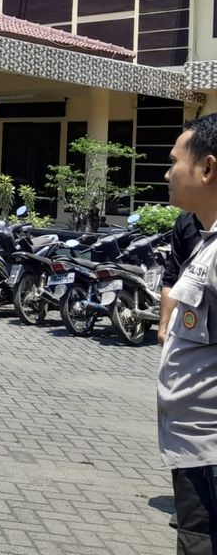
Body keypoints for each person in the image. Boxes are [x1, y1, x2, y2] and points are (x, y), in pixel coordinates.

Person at [160, 114, 217, 555]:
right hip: (195, 449)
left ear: (207, 169)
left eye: (174, 160)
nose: (167, 172)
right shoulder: (203, 239)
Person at [159, 211, 201, 347]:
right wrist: (163, 327)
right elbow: (172, 277)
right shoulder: (185, 221)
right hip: (187, 328)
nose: (171, 188)